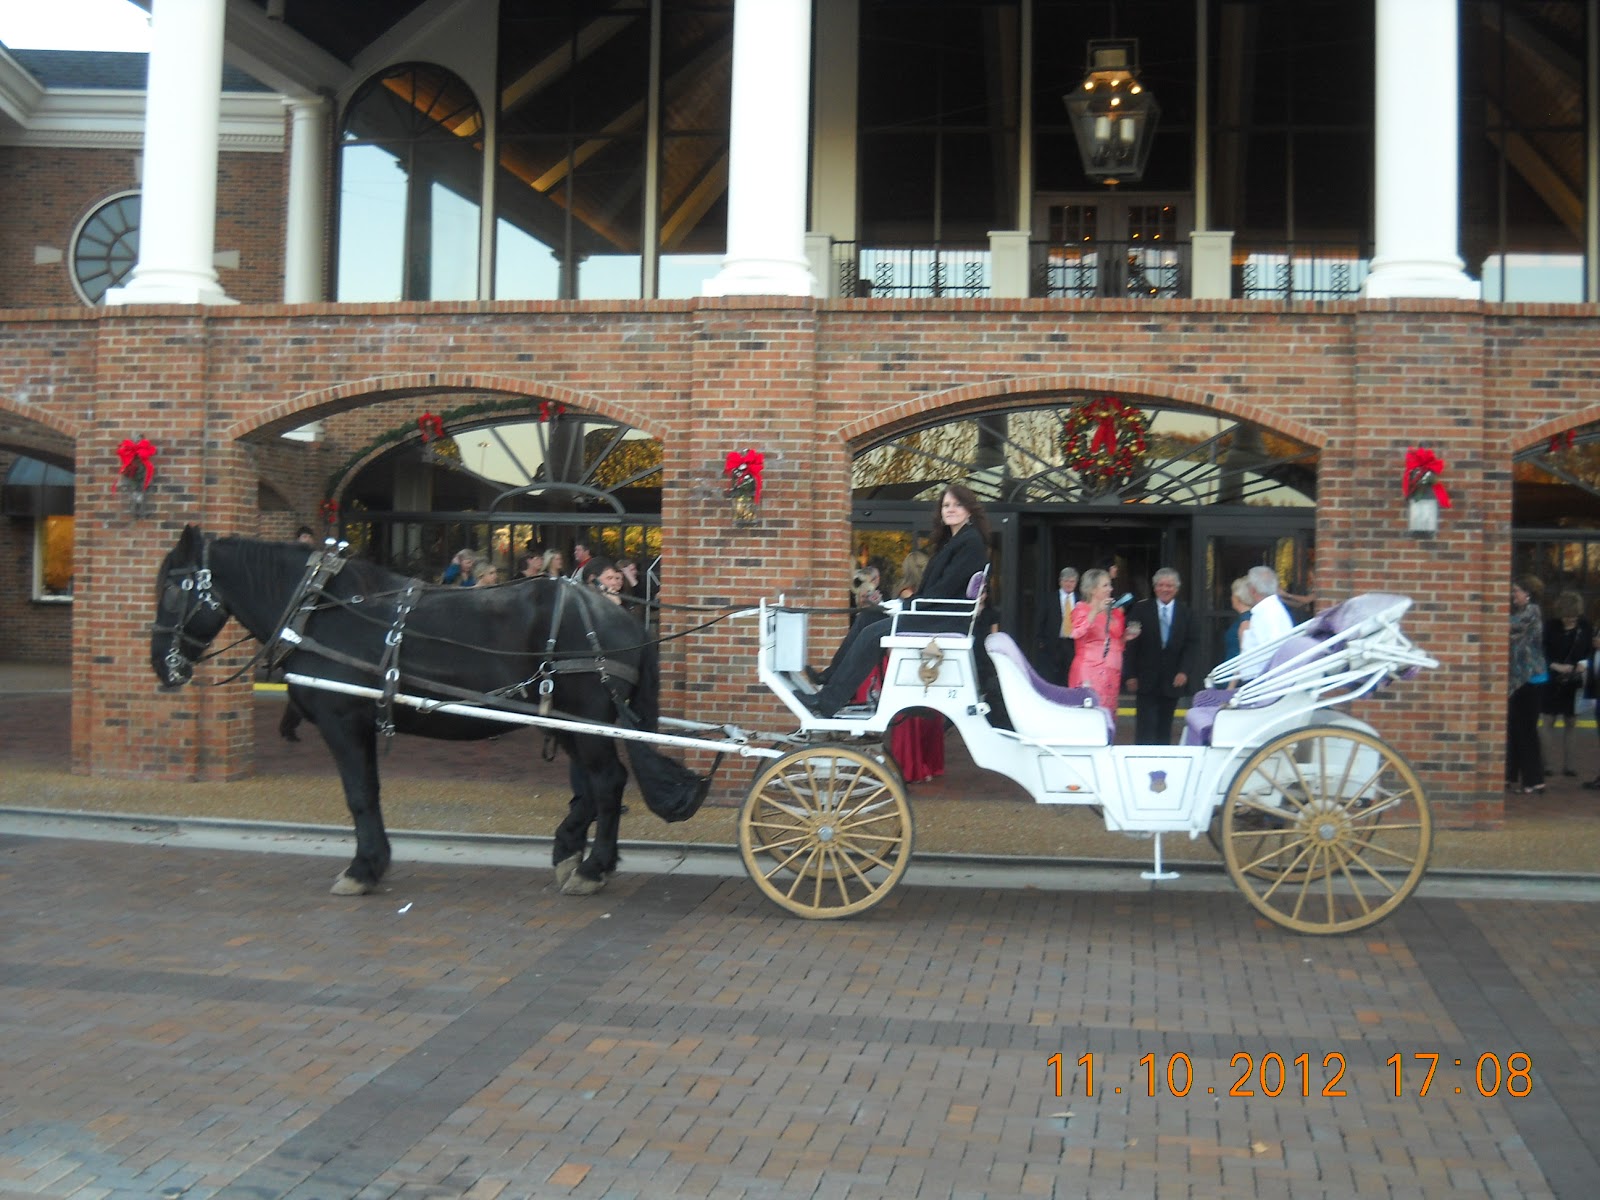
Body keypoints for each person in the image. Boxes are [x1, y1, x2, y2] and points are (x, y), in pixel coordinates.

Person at [800, 484, 991, 719]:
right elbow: (937, 588)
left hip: (944, 618)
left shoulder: (969, 542)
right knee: (868, 617)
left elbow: (945, 588)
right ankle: (829, 677)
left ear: (969, 509)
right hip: (933, 612)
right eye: (946, 505)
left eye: (957, 505)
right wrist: (902, 604)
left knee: (874, 634)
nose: (950, 509)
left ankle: (828, 701)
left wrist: (906, 605)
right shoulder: (953, 540)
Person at [1125, 567, 1196, 745]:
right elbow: (1131, 644)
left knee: (1165, 727)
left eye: (1170, 586)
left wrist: (1184, 671)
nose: (1165, 589)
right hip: (1145, 679)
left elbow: (1192, 645)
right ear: (1155, 587)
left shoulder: (1186, 612)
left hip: (1172, 679)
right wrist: (1131, 675)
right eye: (1161, 585)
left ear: (1176, 589)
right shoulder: (1140, 609)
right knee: (1144, 727)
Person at [1068, 567, 1140, 712]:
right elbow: (1076, 633)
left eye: (1110, 585)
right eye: (1105, 585)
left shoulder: (1113, 612)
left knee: (1108, 716)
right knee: (1091, 715)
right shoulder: (1081, 609)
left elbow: (1114, 643)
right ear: (1093, 589)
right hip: (1089, 671)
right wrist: (1096, 610)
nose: (1110, 589)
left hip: (1112, 673)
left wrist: (1126, 637)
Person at [1540, 590, 1590, 777]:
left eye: (1574, 617)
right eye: (1568, 617)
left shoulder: (1584, 626)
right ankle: (1546, 764)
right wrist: (1556, 666)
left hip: (1574, 680)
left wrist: (1583, 665)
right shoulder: (1550, 627)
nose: (1571, 621)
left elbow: (1588, 651)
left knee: (1571, 721)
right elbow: (1542, 650)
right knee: (1548, 720)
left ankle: (1570, 765)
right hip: (1553, 679)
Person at [1507, 577, 1547, 794]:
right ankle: (1516, 776)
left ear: (1528, 593)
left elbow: (1510, 625)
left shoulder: (1531, 612)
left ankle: (1534, 779)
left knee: (1526, 730)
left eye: (1517, 592)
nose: (1514, 596)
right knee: (1517, 729)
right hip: (1519, 680)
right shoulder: (1524, 613)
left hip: (1530, 679)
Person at [1237, 565, 1294, 679]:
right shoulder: (1268, 610)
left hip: (1264, 683)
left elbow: (1275, 652)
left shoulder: (1269, 613)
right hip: (1260, 681)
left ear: (1252, 590)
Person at [1033, 566, 1078, 686]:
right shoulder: (1049, 599)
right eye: (1066, 581)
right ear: (1060, 582)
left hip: (1073, 644)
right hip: (1053, 644)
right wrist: (1040, 641)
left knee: (1070, 677)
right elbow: (1040, 621)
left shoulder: (1081, 600)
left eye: (1072, 581)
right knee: (1052, 678)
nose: (1069, 584)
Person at [1222, 576, 1254, 662]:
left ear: (1237, 597)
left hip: (1235, 671)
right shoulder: (1246, 618)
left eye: (1232, 594)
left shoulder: (1246, 622)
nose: (1231, 598)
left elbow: (1244, 654)